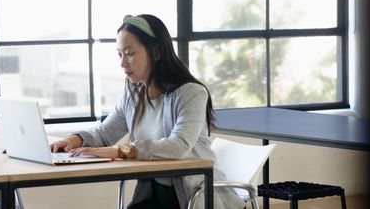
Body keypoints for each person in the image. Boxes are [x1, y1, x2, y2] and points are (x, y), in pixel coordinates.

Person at [50, 14, 245, 209]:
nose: (123, 63)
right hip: (153, 195)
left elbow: (178, 146)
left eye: (130, 53)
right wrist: (70, 141)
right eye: (119, 54)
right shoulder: (133, 93)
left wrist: (121, 151)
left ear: (157, 52)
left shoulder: (191, 93)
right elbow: (105, 133)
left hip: (194, 198)